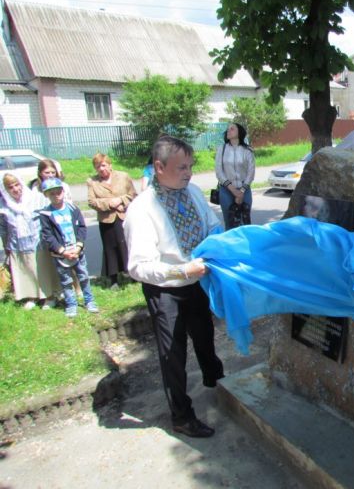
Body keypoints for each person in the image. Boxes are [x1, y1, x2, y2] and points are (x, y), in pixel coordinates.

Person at [124, 135, 225, 438]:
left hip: (197, 282)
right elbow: (139, 266)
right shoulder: (142, 210)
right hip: (166, 289)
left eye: (190, 166)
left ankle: (217, 384)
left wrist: (219, 239)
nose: (189, 172)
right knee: (173, 353)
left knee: (205, 337)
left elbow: (211, 224)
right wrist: (182, 270)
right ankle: (181, 416)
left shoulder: (192, 192)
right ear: (159, 166)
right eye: (181, 167)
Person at [39, 177, 99, 318]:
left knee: (83, 276)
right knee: (66, 281)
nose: (56, 196)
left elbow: (82, 228)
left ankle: (89, 300)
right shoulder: (46, 214)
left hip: (77, 251)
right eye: (51, 193)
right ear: (46, 195)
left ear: (63, 191)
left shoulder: (73, 209)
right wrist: (62, 251)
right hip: (60, 254)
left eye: (58, 192)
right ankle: (71, 304)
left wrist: (78, 246)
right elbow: (48, 236)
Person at [0, 173, 59, 310]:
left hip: (39, 242)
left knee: (42, 269)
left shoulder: (35, 198)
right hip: (17, 244)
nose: (15, 189)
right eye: (11, 187)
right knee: (26, 271)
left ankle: (49, 297)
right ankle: (32, 297)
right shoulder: (4, 206)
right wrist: (6, 245)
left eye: (17, 185)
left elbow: (49, 217)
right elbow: (3, 228)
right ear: (6, 190)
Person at [87, 153, 137, 290]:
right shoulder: (92, 182)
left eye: (103, 165)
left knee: (127, 245)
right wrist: (110, 204)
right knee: (110, 249)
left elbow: (133, 194)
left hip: (124, 217)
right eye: (98, 167)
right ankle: (113, 278)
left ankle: (133, 274)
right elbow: (91, 202)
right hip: (106, 220)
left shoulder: (123, 176)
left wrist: (121, 200)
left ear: (110, 165)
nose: (101, 169)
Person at [214, 122, 255, 230]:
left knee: (245, 221)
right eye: (228, 129)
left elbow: (251, 173)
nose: (228, 130)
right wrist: (233, 190)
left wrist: (241, 191)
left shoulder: (247, 150)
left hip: (244, 190)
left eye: (232, 129)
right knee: (229, 222)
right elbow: (219, 171)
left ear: (239, 132)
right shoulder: (222, 149)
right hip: (226, 190)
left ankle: (245, 245)